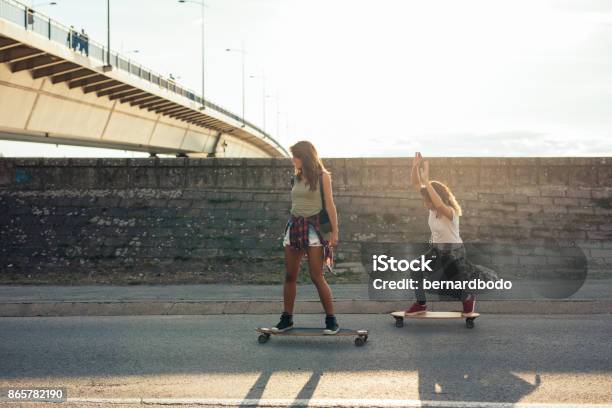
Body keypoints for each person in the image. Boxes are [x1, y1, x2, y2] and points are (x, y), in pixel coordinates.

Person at [270, 141, 340, 334]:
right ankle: (287, 319)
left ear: (305, 157)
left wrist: (335, 232)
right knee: (290, 275)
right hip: (294, 227)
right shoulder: (296, 176)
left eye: (295, 156)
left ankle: (331, 320)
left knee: (316, 276)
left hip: (313, 229)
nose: (293, 160)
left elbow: (330, 206)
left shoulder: (322, 177)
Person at [405, 152, 477, 315]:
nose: (425, 204)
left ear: (435, 199)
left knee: (444, 287)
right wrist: (415, 166)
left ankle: (467, 297)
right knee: (416, 268)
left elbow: (437, 203)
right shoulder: (433, 209)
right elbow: (416, 185)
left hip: (453, 254)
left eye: (427, 201)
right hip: (437, 251)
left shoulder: (450, 212)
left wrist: (427, 180)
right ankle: (421, 304)